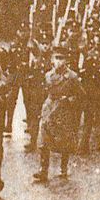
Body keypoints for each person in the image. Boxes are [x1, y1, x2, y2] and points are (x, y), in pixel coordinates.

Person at [34, 48, 84, 181]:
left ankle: (64, 167)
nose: (58, 61)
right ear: (52, 60)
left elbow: (81, 95)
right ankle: (43, 170)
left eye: (61, 58)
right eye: (56, 58)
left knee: (64, 141)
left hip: (64, 110)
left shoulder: (72, 76)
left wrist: (69, 100)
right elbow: (44, 92)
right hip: (49, 109)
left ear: (66, 60)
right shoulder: (47, 75)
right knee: (44, 140)